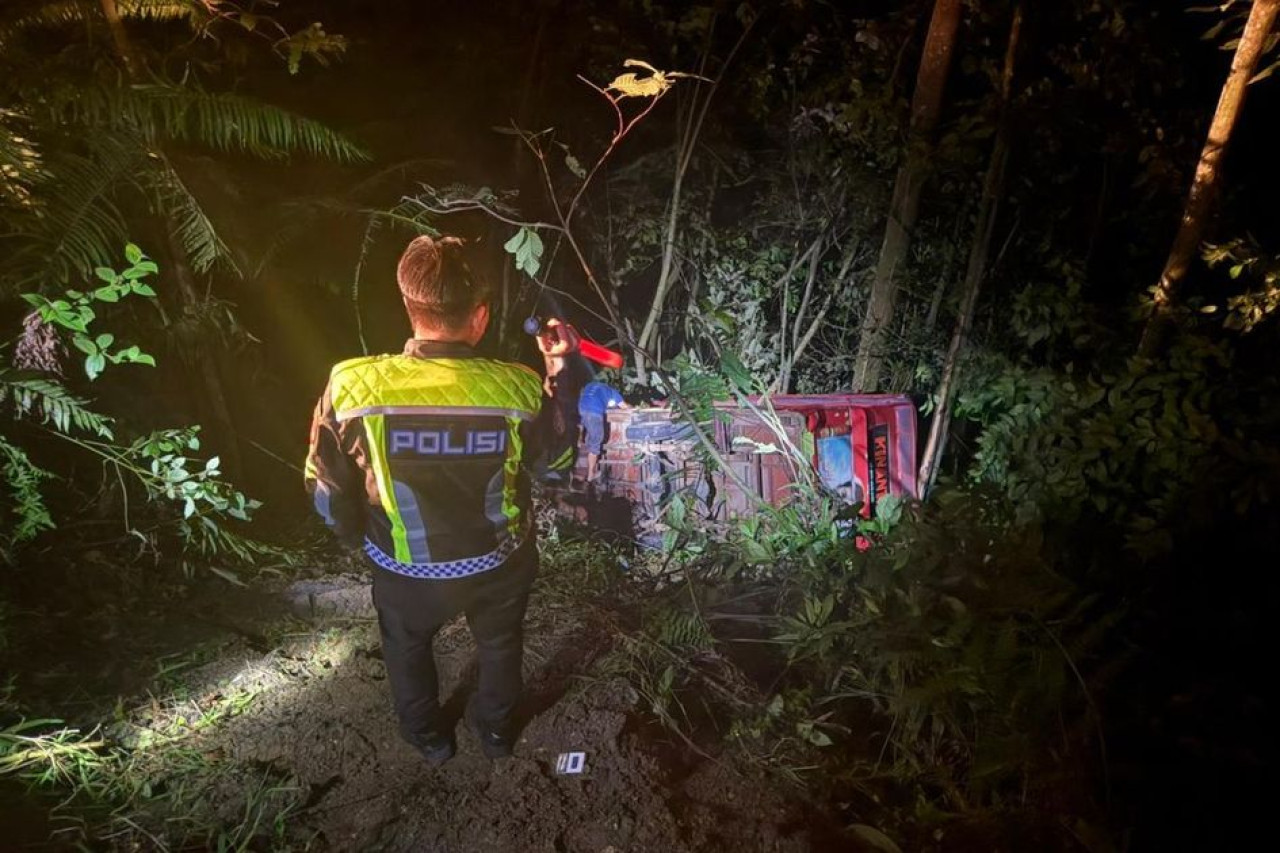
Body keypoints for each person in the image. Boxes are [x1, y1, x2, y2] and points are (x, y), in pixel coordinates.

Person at [303, 235, 580, 765]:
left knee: (406, 648)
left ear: (410, 309)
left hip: (405, 569)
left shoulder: (352, 385)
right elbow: (556, 465)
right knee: (499, 645)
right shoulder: (518, 389)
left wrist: (350, 537)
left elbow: (326, 486)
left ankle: (428, 737)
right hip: (497, 565)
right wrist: (559, 373)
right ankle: (497, 733)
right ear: (479, 316)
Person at [577, 379, 625, 484]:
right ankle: (591, 474)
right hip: (594, 411)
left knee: (591, 435)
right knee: (596, 441)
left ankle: (582, 440)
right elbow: (625, 407)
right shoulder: (612, 392)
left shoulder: (590, 384)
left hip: (582, 408)